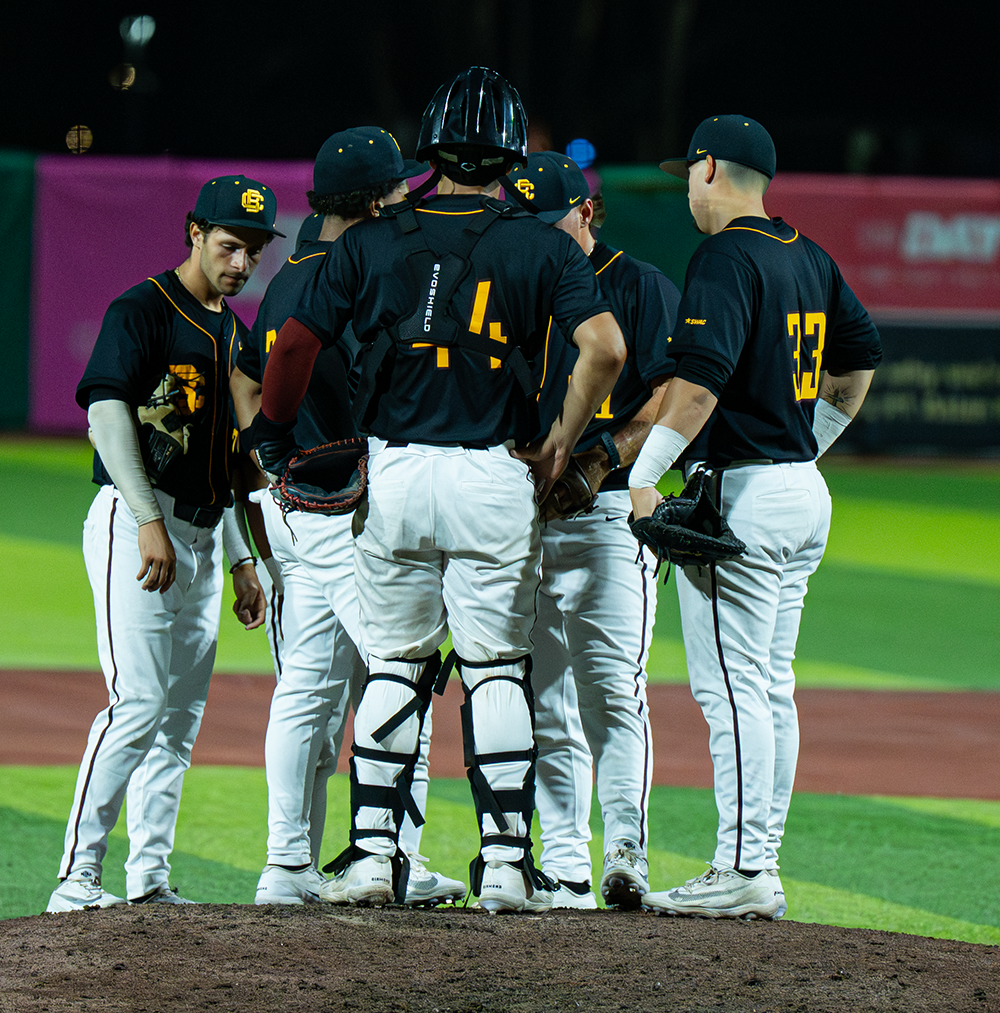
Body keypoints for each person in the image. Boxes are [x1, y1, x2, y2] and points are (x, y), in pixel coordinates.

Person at [251, 66, 626, 914]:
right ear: (510, 149)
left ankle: (375, 856)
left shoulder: (369, 239)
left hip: (396, 473)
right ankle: (503, 866)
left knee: (394, 663)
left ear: (430, 143)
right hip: (494, 473)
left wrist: (275, 431)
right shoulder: (541, 242)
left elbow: (293, 348)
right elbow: (604, 349)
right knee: (496, 668)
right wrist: (565, 435)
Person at [626, 116, 883, 920]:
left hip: (745, 496)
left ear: (709, 168)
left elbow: (698, 382)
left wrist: (642, 476)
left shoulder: (725, 255)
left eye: (688, 174)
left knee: (734, 691)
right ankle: (756, 861)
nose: (687, 192)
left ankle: (743, 867)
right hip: (799, 490)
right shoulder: (807, 253)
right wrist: (813, 440)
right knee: (770, 688)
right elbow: (860, 354)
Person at [239, 127, 465, 909]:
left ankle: (287, 865)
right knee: (401, 669)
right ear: (373, 203)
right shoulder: (353, 276)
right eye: (400, 192)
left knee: (306, 688)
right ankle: (393, 854)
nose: (409, 203)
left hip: (292, 509)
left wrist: (268, 453)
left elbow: (257, 389)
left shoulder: (286, 276)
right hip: (345, 512)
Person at [47, 176, 275, 912]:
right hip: (138, 525)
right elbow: (107, 414)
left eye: (253, 250)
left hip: (207, 538)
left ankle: (148, 878)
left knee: (177, 721)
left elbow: (227, 467)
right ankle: (76, 878)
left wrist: (241, 558)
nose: (240, 263)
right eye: (229, 245)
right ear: (194, 232)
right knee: (137, 703)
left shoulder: (233, 332)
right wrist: (147, 518)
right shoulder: (141, 309)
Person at [509, 152, 679, 910]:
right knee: (542, 694)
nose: (543, 238)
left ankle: (628, 857)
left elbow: (672, 396)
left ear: (588, 211)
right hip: (527, 516)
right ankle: (567, 863)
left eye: (554, 222)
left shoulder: (638, 285)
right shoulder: (515, 286)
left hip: (610, 514)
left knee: (613, 691)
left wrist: (603, 459)